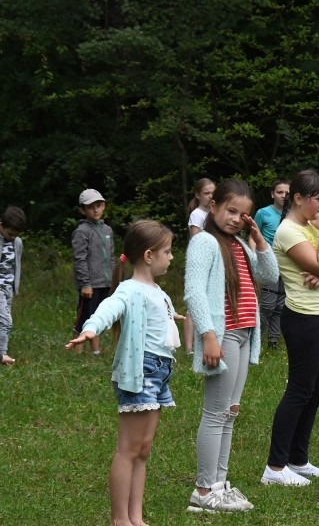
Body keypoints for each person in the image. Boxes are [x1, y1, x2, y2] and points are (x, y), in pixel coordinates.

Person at [65, 220, 178, 526]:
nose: (171, 257)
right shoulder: (129, 290)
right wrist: (90, 330)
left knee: (143, 450)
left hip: (160, 374)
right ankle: (120, 520)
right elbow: (108, 309)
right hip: (140, 373)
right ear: (149, 255)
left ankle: (136, 518)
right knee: (128, 449)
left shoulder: (158, 291)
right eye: (167, 251)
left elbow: (163, 319)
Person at [184, 179, 278, 513]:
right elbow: (194, 291)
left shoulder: (239, 244)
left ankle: (220, 484)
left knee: (230, 412)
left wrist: (259, 239)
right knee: (216, 412)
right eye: (230, 210)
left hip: (242, 335)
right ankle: (204, 490)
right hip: (221, 337)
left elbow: (270, 277)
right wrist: (208, 335)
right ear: (213, 207)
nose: (235, 218)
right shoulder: (205, 242)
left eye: (243, 214)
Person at [262, 170, 319, 487]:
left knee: (317, 391)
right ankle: (274, 467)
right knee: (299, 391)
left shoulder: (311, 227)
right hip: (304, 318)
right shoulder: (289, 231)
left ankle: (298, 460)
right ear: (298, 199)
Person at [72, 188, 115, 355]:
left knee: (100, 316)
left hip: (105, 282)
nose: (95, 210)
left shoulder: (107, 231)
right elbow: (80, 259)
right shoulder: (81, 232)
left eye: (98, 205)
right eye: (90, 207)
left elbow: (111, 257)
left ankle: (95, 351)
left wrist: (113, 280)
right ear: (83, 210)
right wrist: (85, 283)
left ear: (103, 206)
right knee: (85, 317)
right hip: (90, 285)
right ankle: (76, 350)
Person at [249, 179, 290, 349]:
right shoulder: (263, 213)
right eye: (280, 192)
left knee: (280, 305)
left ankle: (273, 341)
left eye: (287, 193)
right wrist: (255, 255)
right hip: (268, 263)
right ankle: (254, 340)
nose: (283, 196)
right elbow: (252, 235)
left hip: (287, 266)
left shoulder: (293, 215)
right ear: (273, 194)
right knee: (267, 305)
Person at [184, 178, 216, 354]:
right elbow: (195, 238)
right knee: (194, 303)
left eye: (213, 192)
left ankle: (204, 340)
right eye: (206, 193)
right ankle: (189, 347)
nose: (211, 196)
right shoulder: (196, 214)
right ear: (198, 195)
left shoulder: (214, 212)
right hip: (199, 262)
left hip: (213, 261)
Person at [0, 206, 26, 366]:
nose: (12, 238)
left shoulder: (18, 243)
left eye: (15, 235)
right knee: (6, 320)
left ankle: (4, 353)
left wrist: (14, 286)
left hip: (8, 288)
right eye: (9, 234)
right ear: (1, 225)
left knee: (3, 320)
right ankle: (1, 355)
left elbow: (16, 265)